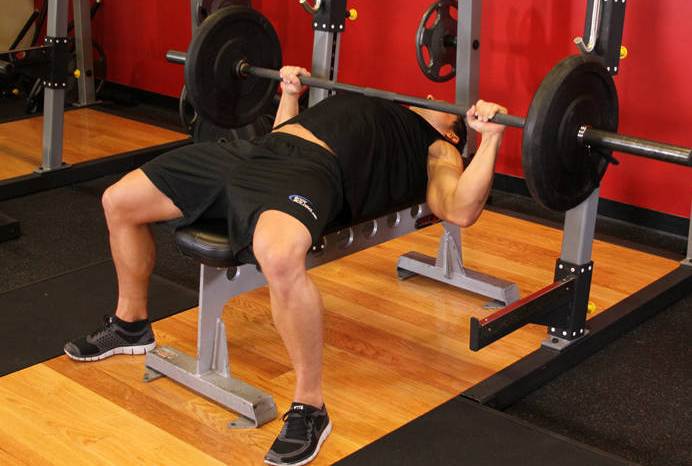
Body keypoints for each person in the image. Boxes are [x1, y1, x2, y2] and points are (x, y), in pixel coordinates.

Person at [63, 66, 508, 466]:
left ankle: (310, 407)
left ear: (453, 133)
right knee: (118, 201)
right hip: (256, 151)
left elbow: (460, 208)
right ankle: (131, 325)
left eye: (441, 108)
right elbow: (289, 131)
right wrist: (291, 95)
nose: (430, 101)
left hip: (312, 171)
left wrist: (489, 138)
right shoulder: (375, 105)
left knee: (278, 256)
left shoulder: (437, 149)